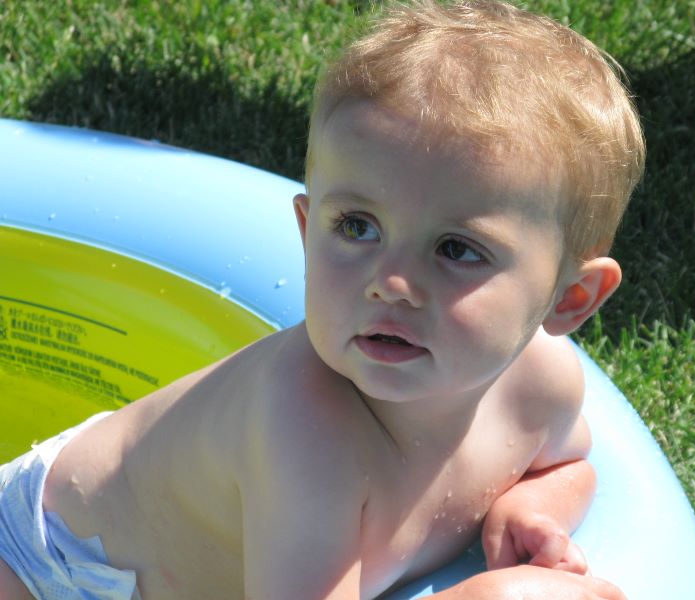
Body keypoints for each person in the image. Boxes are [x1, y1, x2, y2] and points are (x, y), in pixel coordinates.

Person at [0, 1, 644, 598]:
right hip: (41, 560)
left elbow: (569, 466)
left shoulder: (540, 387)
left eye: (456, 249)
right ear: (308, 232)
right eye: (357, 227)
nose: (390, 282)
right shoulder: (304, 427)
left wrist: (531, 507)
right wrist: (487, 593)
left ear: (571, 297)